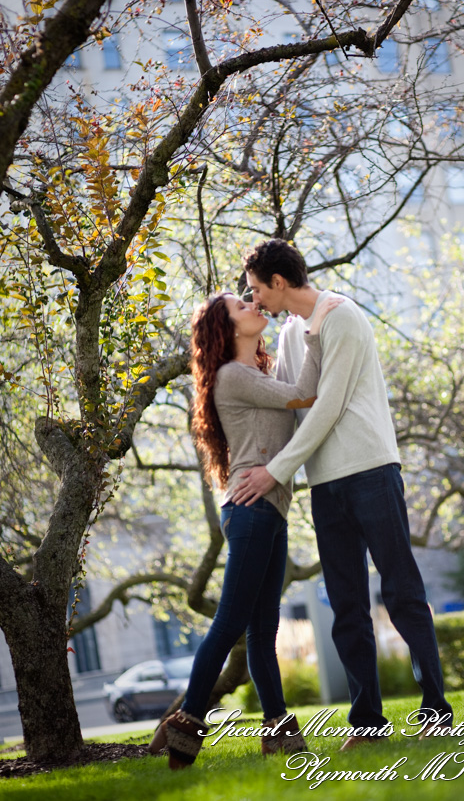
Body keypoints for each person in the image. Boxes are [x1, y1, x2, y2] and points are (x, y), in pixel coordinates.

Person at [233, 239, 453, 750]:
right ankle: (368, 724)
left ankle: (436, 711)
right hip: (324, 484)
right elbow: (293, 403)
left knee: (401, 591)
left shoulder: (343, 317)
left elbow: (327, 406)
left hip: (372, 470)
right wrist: (264, 462)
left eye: (256, 289)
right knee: (347, 605)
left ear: (279, 283)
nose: (255, 298)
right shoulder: (292, 332)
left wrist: (275, 472)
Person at [149, 290, 340, 769]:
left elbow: (292, 397)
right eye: (243, 306)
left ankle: (277, 730)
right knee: (232, 622)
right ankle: (187, 722)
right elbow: (305, 394)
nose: (255, 306)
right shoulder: (233, 376)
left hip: (267, 509)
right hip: (252, 510)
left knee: (261, 629)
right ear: (228, 328)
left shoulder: (254, 373)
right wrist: (317, 334)